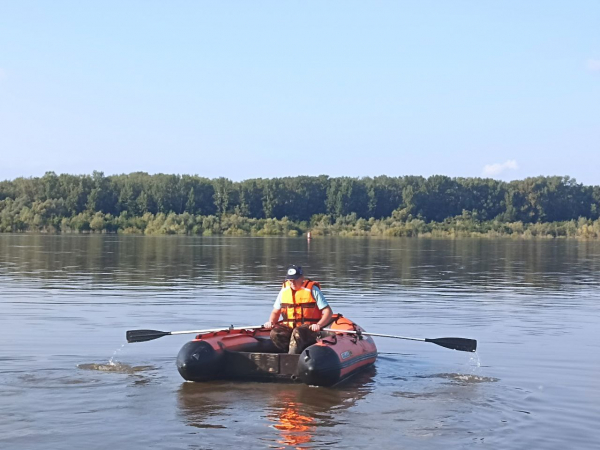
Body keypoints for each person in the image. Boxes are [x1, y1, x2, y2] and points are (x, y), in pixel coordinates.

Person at [264, 265, 333, 354]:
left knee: (297, 332)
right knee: (275, 333)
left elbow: (328, 311)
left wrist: (318, 325)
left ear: (301, 278)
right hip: (290, 328)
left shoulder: (313, 290)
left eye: (295, 279)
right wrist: (271, 322)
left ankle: (291, 357)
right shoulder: (284, 291)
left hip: (309, 329)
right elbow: (275, 312)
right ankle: (286, 353)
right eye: (290, 280)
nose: (292, 282)